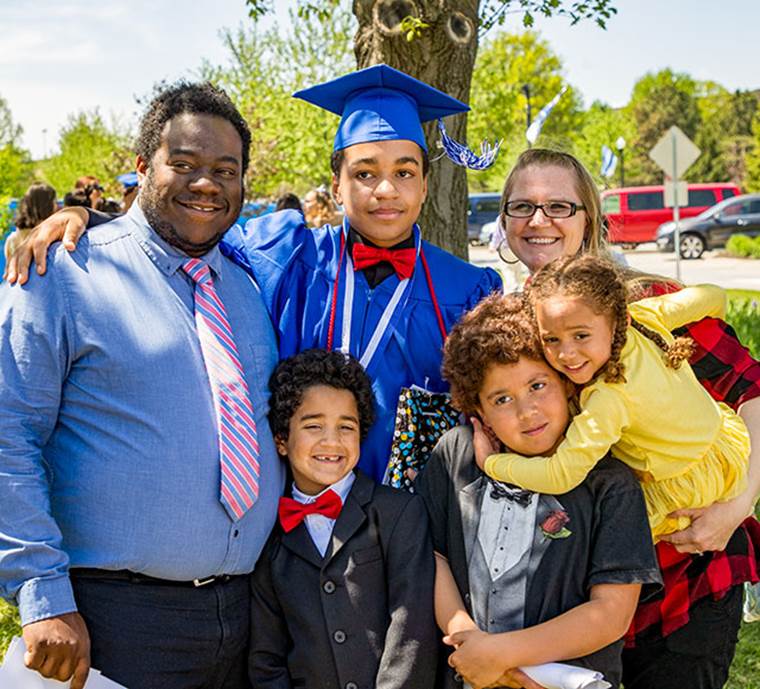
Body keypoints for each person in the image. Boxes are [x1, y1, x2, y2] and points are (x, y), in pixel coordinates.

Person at [10, 64, 503, 484]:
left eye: (404, 172)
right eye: (364, 172)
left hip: (413, 528)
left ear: (425, 184)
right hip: (288, 528)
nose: (385, 191)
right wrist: (93, 220)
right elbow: (190, 223)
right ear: (336, 184)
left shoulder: (467, 290)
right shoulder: (285, 254)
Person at [0, 82, 284, 689]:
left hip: (248, 617)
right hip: (112, 620)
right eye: (182, 164)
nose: (205, 183)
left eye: (224, 170)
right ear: (141, 167)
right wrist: (41, 594)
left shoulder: (248, 283)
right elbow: (8, 434)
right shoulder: (65, 273)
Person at [493, 147, 760, 689]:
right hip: (574, 598)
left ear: (589, 217)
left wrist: (739, 503)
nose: (539, 221)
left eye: (559, 206)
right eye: (522, 206)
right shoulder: (510, 329)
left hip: (685, 572)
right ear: (503, 221)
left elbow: (752, 388)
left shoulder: (644, 304)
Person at [415, 292, 661, 689]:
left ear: (566, 382)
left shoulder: (610, 484)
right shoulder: (455, 454)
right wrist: (466, 637)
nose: (527, 411)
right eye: (502, 399)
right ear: (477, 410)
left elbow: (611, 613)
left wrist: (503, 655)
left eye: (537, 385)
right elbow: (432, 555)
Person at [479, 254, 750, 540]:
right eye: (551, 340)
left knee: (588, 530)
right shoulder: (645, 318)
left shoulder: (608, 398)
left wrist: (492, 463)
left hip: (685, 490)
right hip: (724, 443)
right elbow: (713, 295)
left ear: (617, 320)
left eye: (581, 336)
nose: (566, 354)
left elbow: (561, 474)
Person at [249, 348, 437, 688]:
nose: (332, 441)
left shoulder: (400, 513)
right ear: (281, 440)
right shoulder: (269, 534)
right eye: (314, 425)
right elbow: (266, 658)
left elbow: (411, 632)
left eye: (346, 427)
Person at [4, 183, 57, 263]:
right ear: (47, 205)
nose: (56, 206)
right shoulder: (53, 237)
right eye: (54, 202)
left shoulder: (12, 240)